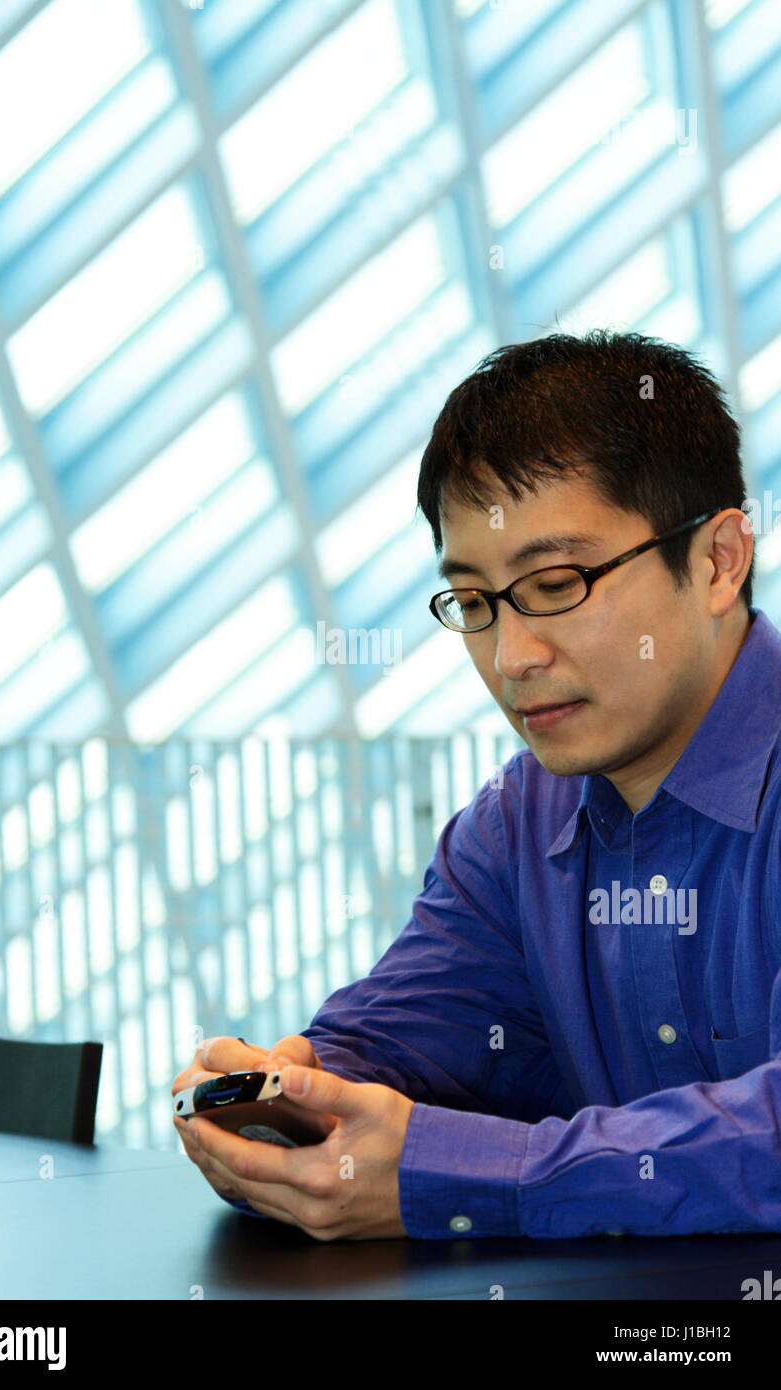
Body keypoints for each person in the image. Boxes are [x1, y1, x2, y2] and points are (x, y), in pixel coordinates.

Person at [173, 329, 781, 1242]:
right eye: (476, 602)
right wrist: (281, 1095)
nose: (512, 657)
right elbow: (403, 1039)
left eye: (555, 582)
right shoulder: (515, 825)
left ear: (717, 561)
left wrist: (473, 1175)